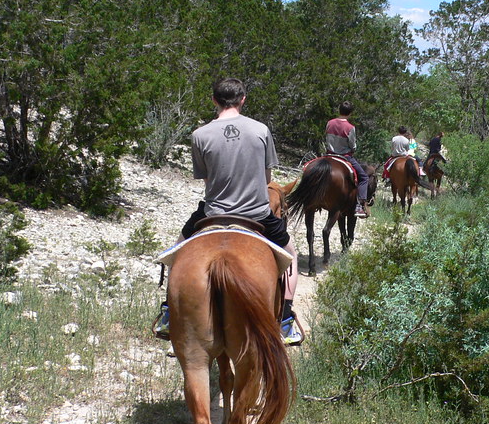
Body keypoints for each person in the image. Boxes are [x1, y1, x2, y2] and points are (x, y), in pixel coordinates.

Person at [154, 78, 303, 345]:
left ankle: (168, 312)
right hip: (256, 213)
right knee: (290, 255)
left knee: (176, 252)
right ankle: (285, 320)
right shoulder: (260, 130)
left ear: (214, 100)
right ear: (243, 99)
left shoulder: (200, 135)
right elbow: (266, 176)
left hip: (213, 213)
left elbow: (208, 180)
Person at [324, 101, 370, 217]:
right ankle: (359, 205)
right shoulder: (350, 127)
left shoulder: (330, 123)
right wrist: (352, 149)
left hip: (329, 154)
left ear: (339, 110)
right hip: (345, 156)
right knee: (364, 177)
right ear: (350, 113)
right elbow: (352, 145)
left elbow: (327, 137)